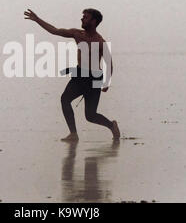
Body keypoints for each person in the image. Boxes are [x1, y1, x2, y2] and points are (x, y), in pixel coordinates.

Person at [24, 8, 120, 141]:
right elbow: (55, 30)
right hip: (79, 74)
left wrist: (106, 82)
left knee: (90, 116)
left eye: (85, 17)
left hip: (95, 78)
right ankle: (73, 134)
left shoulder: (100, 42)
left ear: (94, 21)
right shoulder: (77, 34)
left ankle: (111, 125)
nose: (82, 19)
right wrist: (37, 19)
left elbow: (109, 63)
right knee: (65, 99)